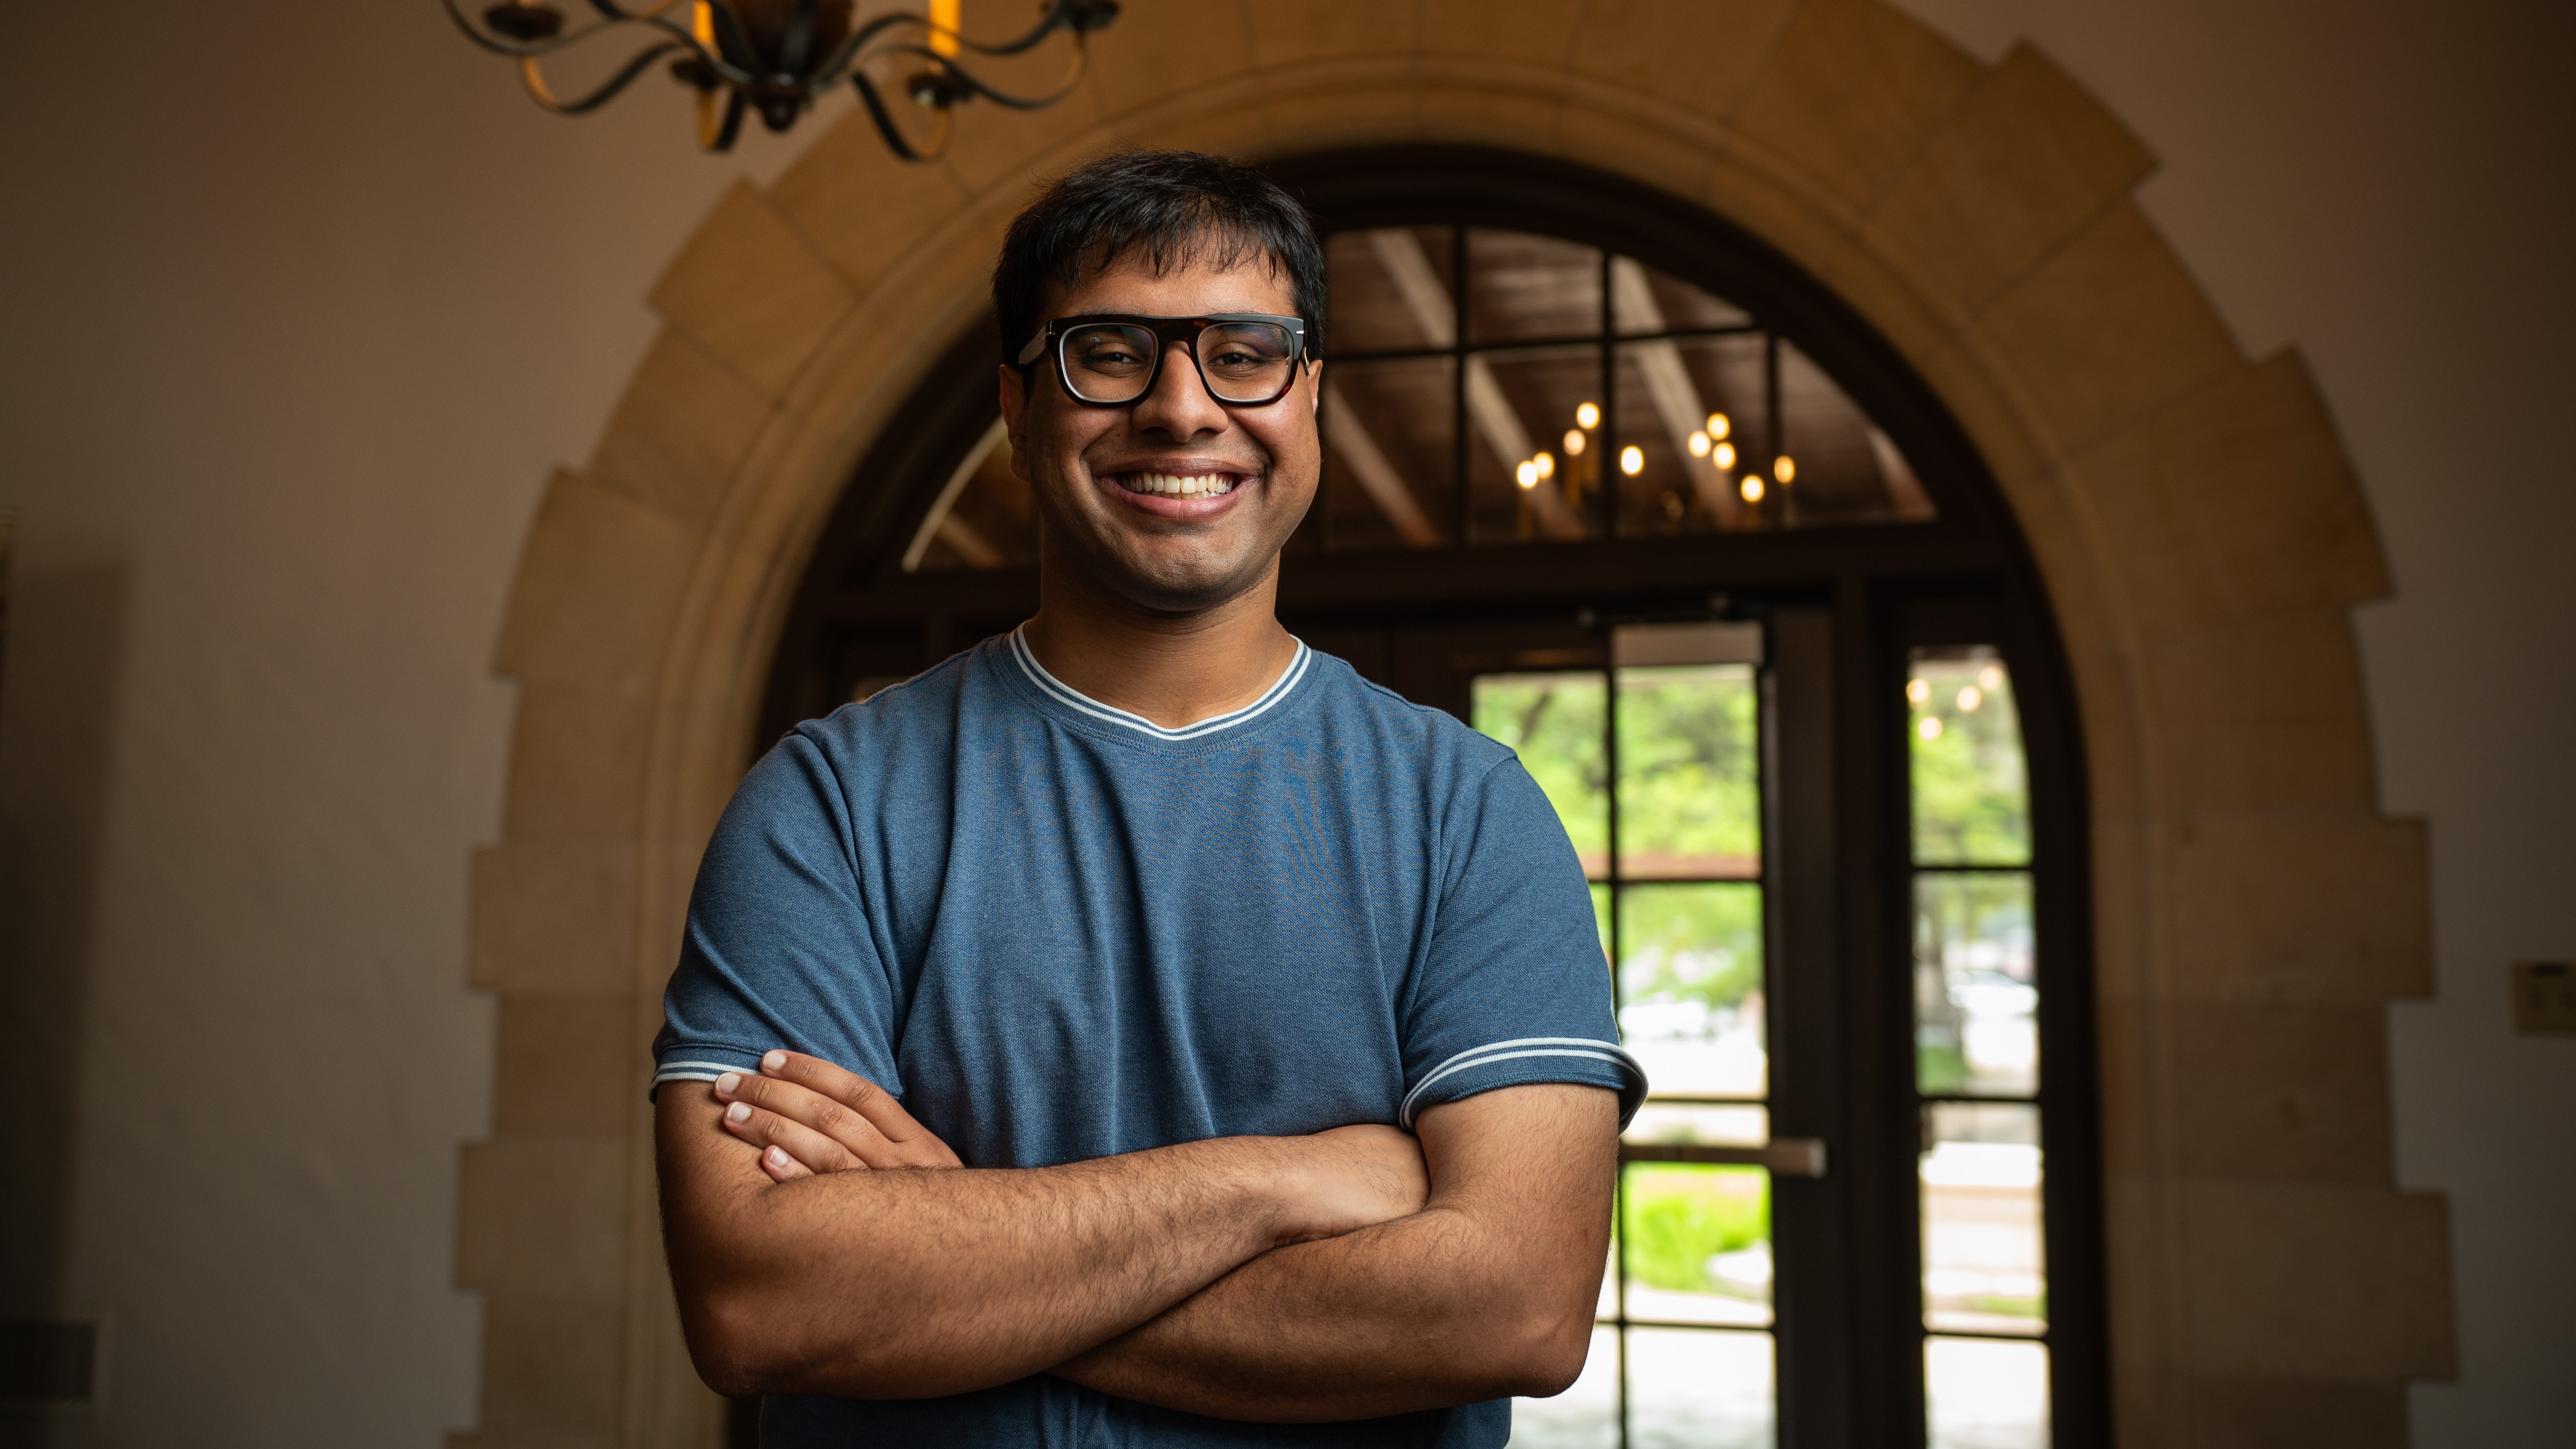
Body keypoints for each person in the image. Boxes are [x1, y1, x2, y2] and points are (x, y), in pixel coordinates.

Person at [650, 149, 1645, 1448]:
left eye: (1245, 351)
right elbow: (760, 1303)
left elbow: (1516, 1308)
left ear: (1312, 399)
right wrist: (1292, 1179)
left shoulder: (1471, 813)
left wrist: (966, 1250)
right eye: (1108, 351)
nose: (1182, 408)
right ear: (1015, 406)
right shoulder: (825, 807)